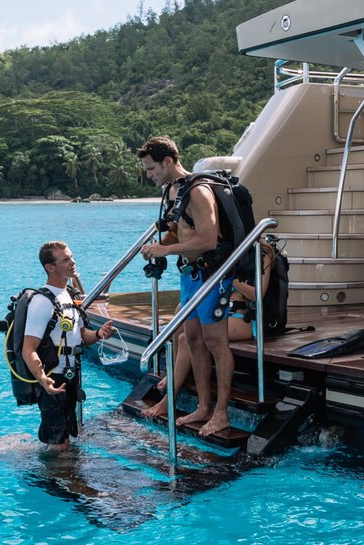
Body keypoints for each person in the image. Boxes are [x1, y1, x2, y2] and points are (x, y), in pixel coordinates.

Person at [137, 135, 236, 437]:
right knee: (192, 338)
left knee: (216, 342)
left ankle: (222, 413)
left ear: (168, 162)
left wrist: (165, 251)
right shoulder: (172, 192)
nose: (149, 174)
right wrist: (159, 245)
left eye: (152, 168)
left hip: (212, 274)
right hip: (189, 274)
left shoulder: (198, 191)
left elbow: (207, 239)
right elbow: (181, 233)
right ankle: (203, 406)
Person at [140, 241, 274, 420]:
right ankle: (173, 375)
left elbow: (257, 294)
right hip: (221, 311)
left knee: (186, 340)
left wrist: (228, 275)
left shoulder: (261, 252)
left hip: (243, 319)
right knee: (182, 314)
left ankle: (170, 397)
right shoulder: (221, 250)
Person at [23, 240, 116, 451]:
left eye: (72, 257)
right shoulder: (42, 302)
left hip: (71, 374)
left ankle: (60, 473)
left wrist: (99, 334)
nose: (73, 262)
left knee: (66, 435)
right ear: (50, 267)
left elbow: (81, 336)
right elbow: (28, 348)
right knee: (59, 441)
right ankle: (53, 480)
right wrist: (44, 380)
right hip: (52, 377)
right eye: (66, 259)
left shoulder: (71, 296)